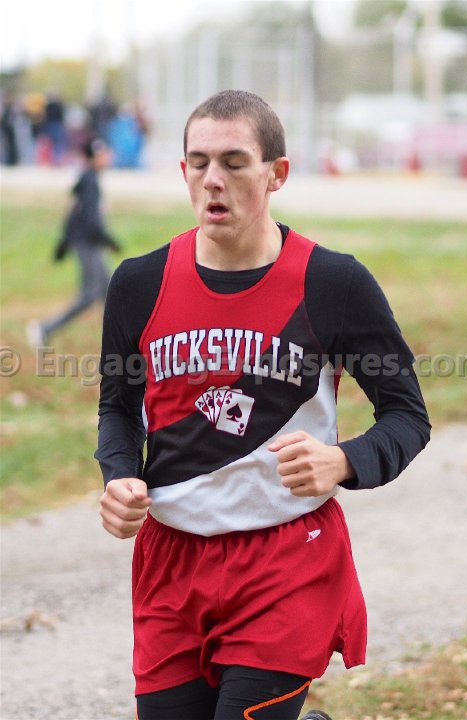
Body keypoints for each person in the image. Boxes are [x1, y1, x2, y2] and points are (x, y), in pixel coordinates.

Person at [96, 90, 430, 720]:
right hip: (172, 560)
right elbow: (117, 408)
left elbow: (408, 416)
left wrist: (343, 460)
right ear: (183, 171)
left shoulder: (333, 283)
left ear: (277, 173)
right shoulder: (139, 283)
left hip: (287, 559)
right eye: (199, 163)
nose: (213, 180)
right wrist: (118, 476)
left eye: (234, 162)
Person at [27, 138, 120, 347]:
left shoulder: (87, 179)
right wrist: (109, 240)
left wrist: (65, 241)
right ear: (92, 158)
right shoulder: (89, 182)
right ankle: (44, 329)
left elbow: (74, 215)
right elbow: (90, 220)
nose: (106, 158)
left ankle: (119, 340)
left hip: (90, 243)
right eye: (101, 155)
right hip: (89, 244)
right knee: (89, 295)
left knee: (109, 292)